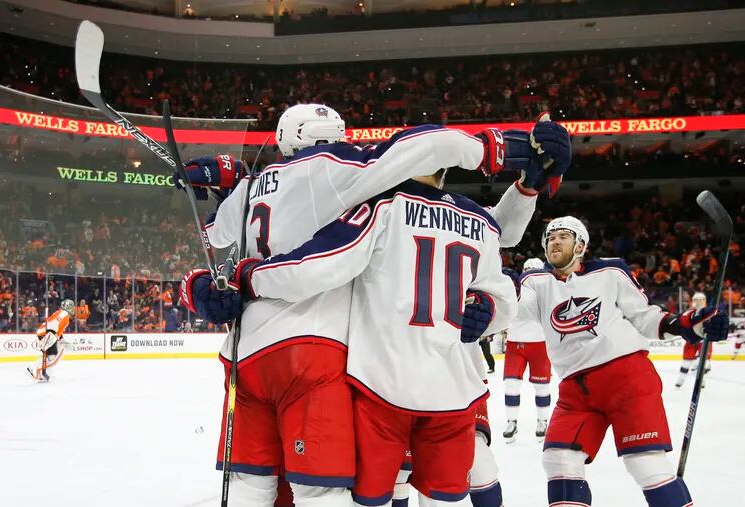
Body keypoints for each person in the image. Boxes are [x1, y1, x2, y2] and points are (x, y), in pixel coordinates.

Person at [179, 104, 570, 506]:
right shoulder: (367, 183)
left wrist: (236, 197)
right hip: (354, 357)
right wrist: (503, 153)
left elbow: (223, 235)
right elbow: (486, 215)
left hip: (274, 358)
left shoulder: (340, 200)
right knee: (333, 488)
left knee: (254, 485)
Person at [235, 167, 518, 506]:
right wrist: (490, 307)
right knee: (448, 492)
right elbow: (504, 298)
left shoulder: (380, 203)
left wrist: (251, 276)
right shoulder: (479, 220)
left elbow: (319, 266)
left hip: (381, 385)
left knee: (376, 495)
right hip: (450, 387)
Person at [516, 216, 729, 507]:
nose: (555, 241)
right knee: (559, 459)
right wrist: (494, 293)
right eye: (550, 238)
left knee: (644, 462)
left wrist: (690, 324)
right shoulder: (536, 282)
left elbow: (644, 316)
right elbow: (512, 308)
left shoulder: (610, 272)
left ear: (580, 245)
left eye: (563, 236)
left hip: (626, 376)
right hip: (575, 389)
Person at [501, 257, 552, 442]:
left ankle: (542, 421)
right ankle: (511, 422)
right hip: (516, 342)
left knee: (542, 386)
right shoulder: (514, 289)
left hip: (539, 342)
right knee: (511, 384)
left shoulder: (547, 292)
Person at [27, 299, 74, 382]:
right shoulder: (64, 313)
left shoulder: (61, 313)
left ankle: (43, 374)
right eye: (71, 307)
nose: (72, 309)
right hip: (47, 333)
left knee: (50, 356)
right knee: (52, 356)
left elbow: (58, 328)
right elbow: (54, 325)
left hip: (46, 332)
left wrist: (60, 339)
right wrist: (51, 335)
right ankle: (33, 368)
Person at [674, 292, 712, 388]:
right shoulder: (688, 312)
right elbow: (682, 324)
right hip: (691, 341)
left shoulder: (710, 312)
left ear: (704, 301)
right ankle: (681, 379)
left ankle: (702, 380)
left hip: (704, 342)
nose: (698, 302)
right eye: (696, 300)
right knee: (686, 361)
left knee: (702, 362)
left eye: (701, 300)